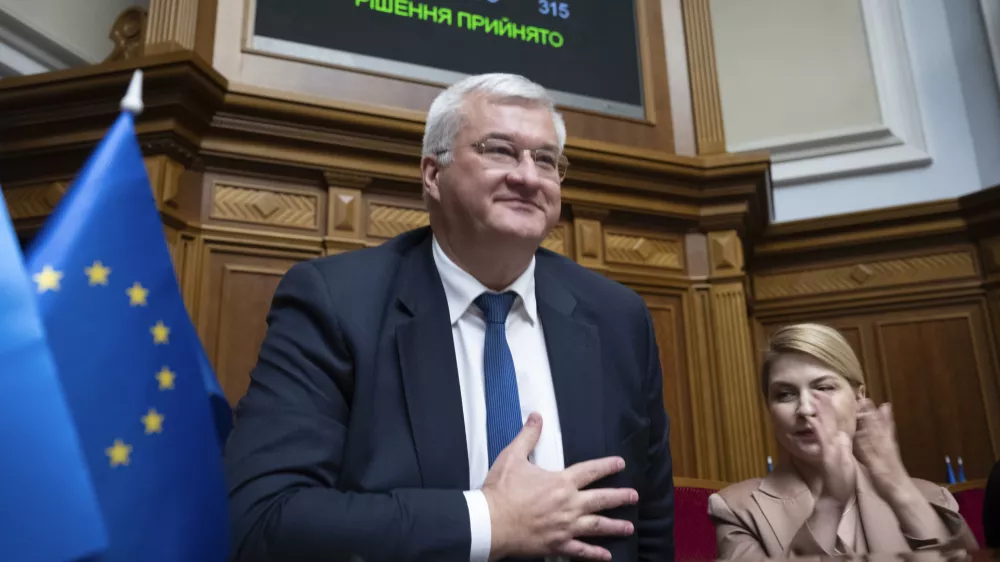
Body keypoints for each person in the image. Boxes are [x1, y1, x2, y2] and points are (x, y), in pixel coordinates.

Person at [224, 73, 675, 562]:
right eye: (500, 150)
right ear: (432, 175)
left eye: (546, 159)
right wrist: (489, 521)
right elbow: (266, 519)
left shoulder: (617, 317)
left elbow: (648, 525)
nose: (528, 176)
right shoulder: (335, 303)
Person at [708, 323, 977, 559]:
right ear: (769, 408)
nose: (805, 409)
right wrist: (829, 503)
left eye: (823, 388)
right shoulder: (737, 509)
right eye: (785, 395)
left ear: (859, 397)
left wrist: (899, 488)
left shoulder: (931, 498)